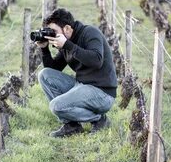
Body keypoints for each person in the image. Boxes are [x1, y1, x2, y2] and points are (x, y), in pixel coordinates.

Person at [36, 8, 117, 138]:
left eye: (54, 31)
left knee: (56, 106)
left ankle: (99, 119)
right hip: (82, 86)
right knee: (45, 74)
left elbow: (96, 61)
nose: (52, 35)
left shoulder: (90, 33)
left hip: (102, 93)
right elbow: (53, 69)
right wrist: (44, 49)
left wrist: (67, 45)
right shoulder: (66, 42)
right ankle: (71, 125)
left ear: (67, 28)